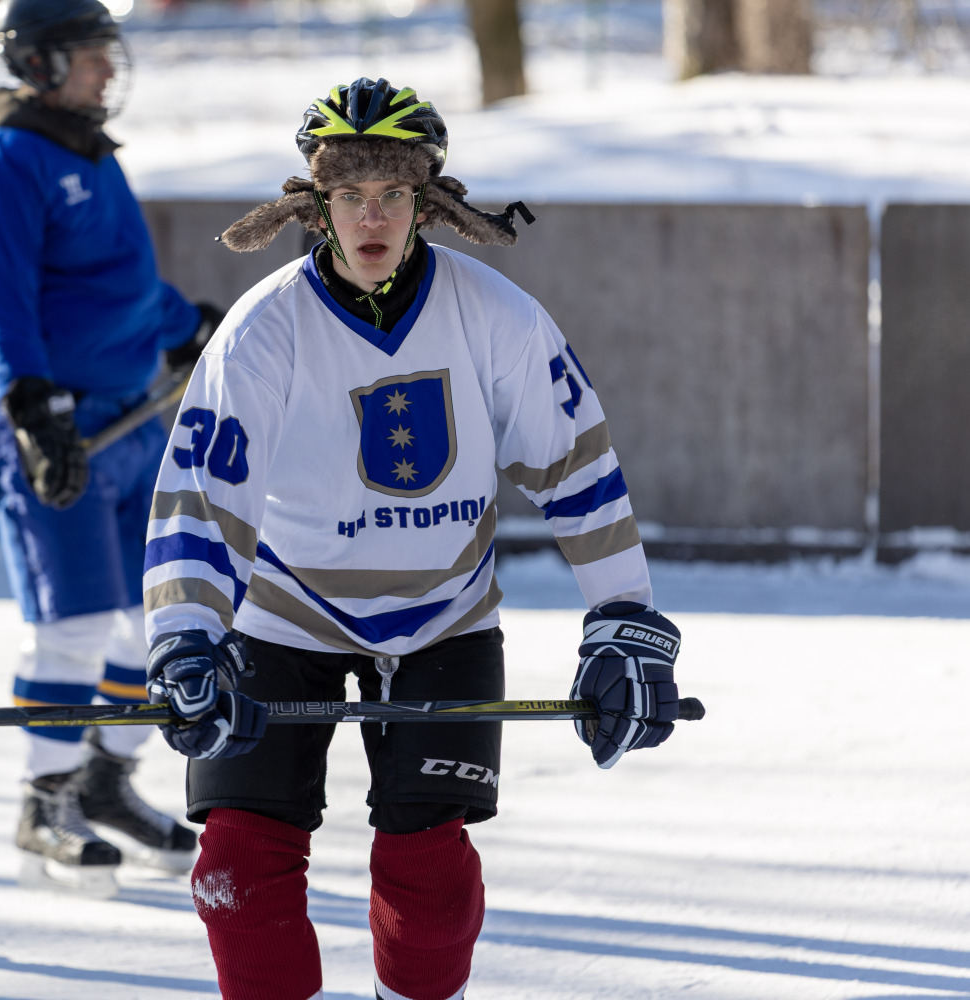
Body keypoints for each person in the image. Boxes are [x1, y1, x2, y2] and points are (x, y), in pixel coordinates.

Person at [141, 78, 683, 1000]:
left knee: (429, 877)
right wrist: (186, 636)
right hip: (283, 618)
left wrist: (624, 617)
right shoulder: (260, 332)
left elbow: (577, 468)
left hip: (446, 618)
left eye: (393, 192)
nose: (372, 216)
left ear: (427, 202)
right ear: (315, 205)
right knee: (237, 869)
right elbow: (202, 497)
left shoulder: (497, 314)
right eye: (349, 194)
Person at [0, 0, 222, 893]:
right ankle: (44, 796)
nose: (108, 69)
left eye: (109, 52)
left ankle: (106, 778)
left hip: (133, 421)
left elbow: (122, 288)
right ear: (37, 60)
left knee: (157, 616)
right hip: (53, 428)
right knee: (74, 622)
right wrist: (30, 405)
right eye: (91, 54)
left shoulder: (93, 159)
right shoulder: (3, 164)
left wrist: (186, 328)